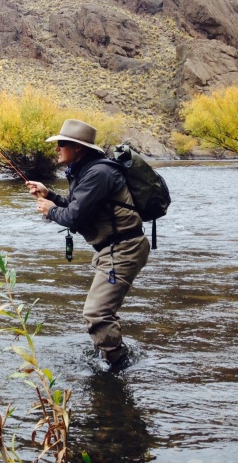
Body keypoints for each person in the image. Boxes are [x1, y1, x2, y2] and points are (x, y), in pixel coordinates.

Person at [26, 119, 150, 369]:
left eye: (61, 144)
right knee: (98, 312)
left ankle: (117, 367)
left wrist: (50, 210)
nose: (57, 148)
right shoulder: (85, 170)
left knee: (97, 313)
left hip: (124, 249)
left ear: (78, 148)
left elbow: (73, 217)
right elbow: (75, 206)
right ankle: (108, 358)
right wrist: (49, 195)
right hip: (114, 248)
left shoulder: (98, 173)